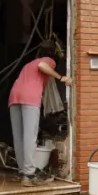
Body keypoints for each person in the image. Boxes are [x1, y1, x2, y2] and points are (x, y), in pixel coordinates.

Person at [8, 56, 71, 187]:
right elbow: (42, 65)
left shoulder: (28, 64)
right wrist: (61, 78)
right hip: (30, 98)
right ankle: (29, 175)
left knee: (18, 137)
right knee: (30, 137)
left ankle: (22, 171)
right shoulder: (48, 60)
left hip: (14, 96)